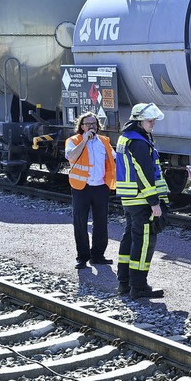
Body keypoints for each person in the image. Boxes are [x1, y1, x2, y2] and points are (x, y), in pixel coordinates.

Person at [115, 103, 170, 299]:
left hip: (130, 199)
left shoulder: (127, 137)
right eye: (149, 120)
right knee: (144, 242)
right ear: (138, 120)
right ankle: (138, 287)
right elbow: (144, 174)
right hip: (141, 201)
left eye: (153, 120)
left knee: (129, 238)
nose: (153, 123)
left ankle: (124, 283)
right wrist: (154, 202)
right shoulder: (139, 142)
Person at [65, 112, 116, 269]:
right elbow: (71, 157)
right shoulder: (74, 140)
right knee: (80, 222)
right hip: (82, 187)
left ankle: (98, 255)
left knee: (101, 222)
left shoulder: (104, 141)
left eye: (94, 123)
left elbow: (114, 158)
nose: (91, 126)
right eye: (87, 124)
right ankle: (82, 257)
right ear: (81, 126)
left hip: (100, 187)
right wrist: (85, 140)